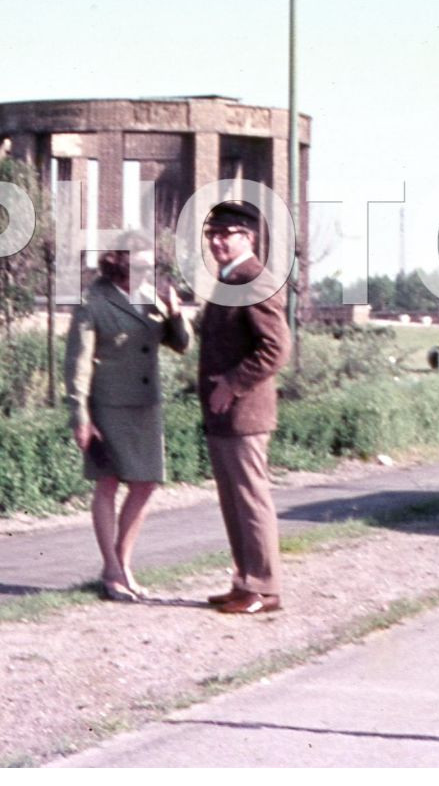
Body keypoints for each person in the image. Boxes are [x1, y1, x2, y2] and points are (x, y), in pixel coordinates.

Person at [64, 230, 191, 602]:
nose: (148, 271)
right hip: (107, 405)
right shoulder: (93, 302)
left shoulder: (151, 295)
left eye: (152, 265)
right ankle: (113, 570)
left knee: (146, 483)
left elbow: (181, 345)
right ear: (119, 261)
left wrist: (176, 314)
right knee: (108, 483)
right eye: (141, 264)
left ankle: (122, 562)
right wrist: (80, 414)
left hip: (146, 404)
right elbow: (78, 363)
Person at [197, 201, 291, 615]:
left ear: (248, 238)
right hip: (224, 413)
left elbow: (277, 347)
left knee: (251, 499)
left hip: (243, 412)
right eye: (212, 234)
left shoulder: (254, 279)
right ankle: (244, 580)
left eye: (226, 234)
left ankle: (264, 587)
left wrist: (233, 385)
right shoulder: (229, 279)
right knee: (233, 500)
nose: (218, 241)